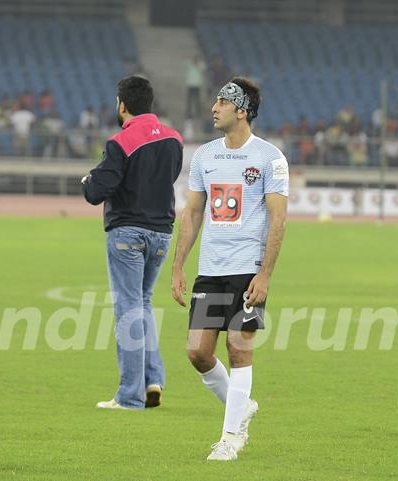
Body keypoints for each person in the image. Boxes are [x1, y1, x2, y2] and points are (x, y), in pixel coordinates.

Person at [170, 77, 289, 461]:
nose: (213, 108)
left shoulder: (269, 157)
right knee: (198, 353)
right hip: (211, 270)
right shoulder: (205, 156)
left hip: (247, 269)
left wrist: (265, 274)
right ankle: (242, 406)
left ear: (242, 110)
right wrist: (178, 266)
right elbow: (191, 212)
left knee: (239, 351)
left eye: (222, 101)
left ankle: (230, 438)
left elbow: (278, 219)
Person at [81, 76, 183, 410]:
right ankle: (153, 381)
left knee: (128, 310)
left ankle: (129, 395)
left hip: (128, 233)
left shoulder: (120, 141)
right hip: (162, 233)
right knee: (144, 304)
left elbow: (97, 192)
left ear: (122, 105)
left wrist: (88, 181)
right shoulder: (174, 139)